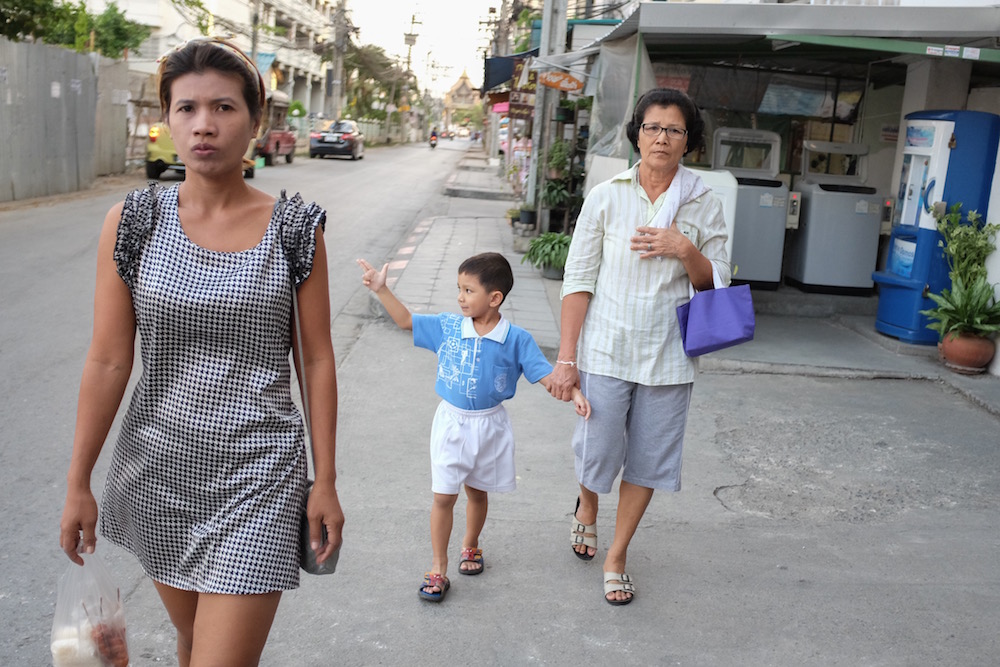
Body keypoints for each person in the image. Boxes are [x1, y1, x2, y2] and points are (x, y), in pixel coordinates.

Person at [59, 38, 344, 665]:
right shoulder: (133, 221)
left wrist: (325, 480)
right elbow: (109, 358)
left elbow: (317, 359)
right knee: (193, 642)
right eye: (186, 109)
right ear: (168, 117)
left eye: (223, 108)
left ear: (256, 121)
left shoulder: (296, 229)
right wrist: (79, 481)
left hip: (260, 476)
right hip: (158, 471)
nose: (203, 125)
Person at [546, 88, 730, 606]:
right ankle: (587, 505)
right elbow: (578, 279)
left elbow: (716, 284)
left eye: (674, 130)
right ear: (638, 134)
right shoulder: (607, 197)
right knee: (596, 452)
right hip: (606, 349)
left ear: (688, 141)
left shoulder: (702, 203)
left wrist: (684, 248)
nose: (662, 138)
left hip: (669, 357)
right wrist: (566, 358)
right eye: (653, 127)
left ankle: (617, 555)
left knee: (648, 462)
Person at [357, 253, 591, 602]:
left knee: (477, 492)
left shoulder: (516, 339)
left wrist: (573, 392)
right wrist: (381, 289)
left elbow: (544, 374)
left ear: (494, 298)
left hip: (489, 426)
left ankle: (471, 545)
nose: (460, 297)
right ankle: (438, 566)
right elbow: (406, 320)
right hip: (451, 423)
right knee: (443, 495)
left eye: (468, 290)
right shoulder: (449, 326)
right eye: (459, 289)